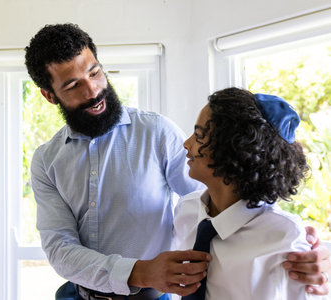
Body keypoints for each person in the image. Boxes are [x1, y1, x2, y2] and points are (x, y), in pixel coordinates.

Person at [24, 23, 330, 299]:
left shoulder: (156, 132)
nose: (93, 90)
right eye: (73, 85)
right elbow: (60, 248)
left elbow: (225, 195)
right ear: (50, 96)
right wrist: (142, 271)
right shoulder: (46, 161)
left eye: (94, 72)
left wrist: (304, 242)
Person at [173, 87, 329, 299]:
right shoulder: (186, 210)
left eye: (199, 135)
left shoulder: (283, 239)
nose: (186, 144)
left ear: (232, 151)